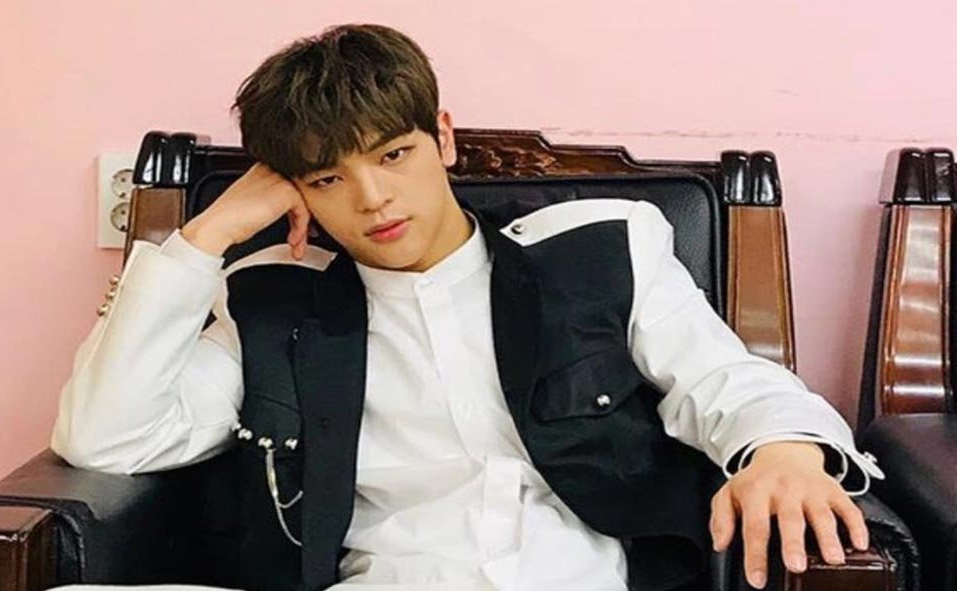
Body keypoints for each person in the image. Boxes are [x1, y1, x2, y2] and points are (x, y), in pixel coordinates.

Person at [50, 23, 883, 591]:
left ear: (442, 137)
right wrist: (207, 234)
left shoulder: (596, 251)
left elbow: (724, 377)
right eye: (328, 177)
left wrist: (783, 450)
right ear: (293, 188)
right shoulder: (277, 296)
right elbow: (108, 434)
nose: (373, 199)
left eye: (393, 154)